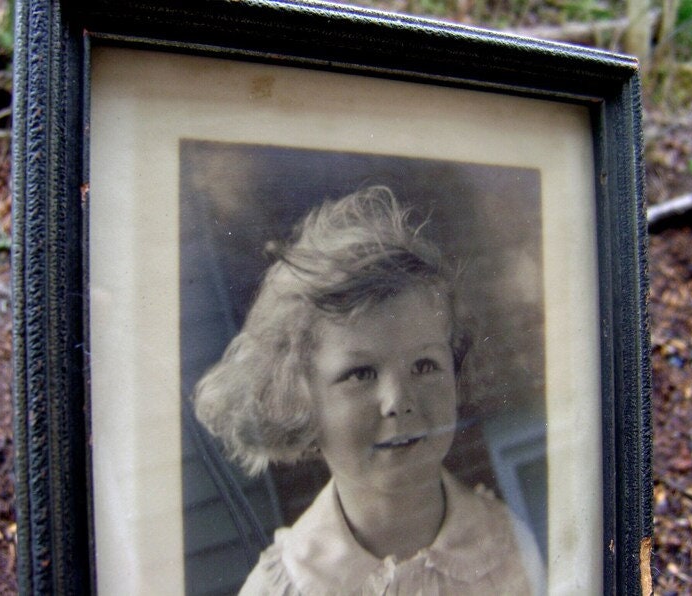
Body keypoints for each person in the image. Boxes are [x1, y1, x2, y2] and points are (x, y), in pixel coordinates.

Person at [193, 186, 544, 594]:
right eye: (360, 373)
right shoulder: (285, 588)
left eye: (424, 365)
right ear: (301, 400)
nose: (398, 401)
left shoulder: (507, 548)